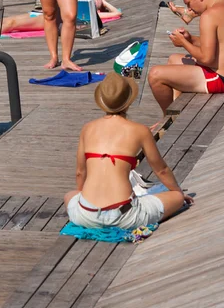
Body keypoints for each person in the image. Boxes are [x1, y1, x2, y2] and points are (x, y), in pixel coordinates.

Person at [64, 72, 193, 230]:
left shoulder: (87, 129)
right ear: (128, 102)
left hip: (86, 215)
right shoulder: (140, 130)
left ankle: (87, 212)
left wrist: (85, 199)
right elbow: (162, 170)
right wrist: (177, 193)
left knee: (70, 195)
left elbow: (80, 172)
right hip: (124, 216)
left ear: (102, 101)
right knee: (177, 197)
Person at [148, 0, 224, 114]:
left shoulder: (209, 16)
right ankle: (177, 110)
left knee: (155, 75)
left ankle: (168, 117)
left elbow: (207, 58)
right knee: (174, 59)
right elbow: (219, 43)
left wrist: (183, 43)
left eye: (188, 3)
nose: (189, 9)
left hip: (220, 79)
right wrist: (191, 39)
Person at [0, 0, 122, 36]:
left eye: (98, 2)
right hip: (47, 14)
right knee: (9, 21)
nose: (95, 0)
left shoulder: (94, 12)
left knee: (12, 24)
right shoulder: (82, 0)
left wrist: (104, 2)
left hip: (51, 21)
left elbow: (117, 14)